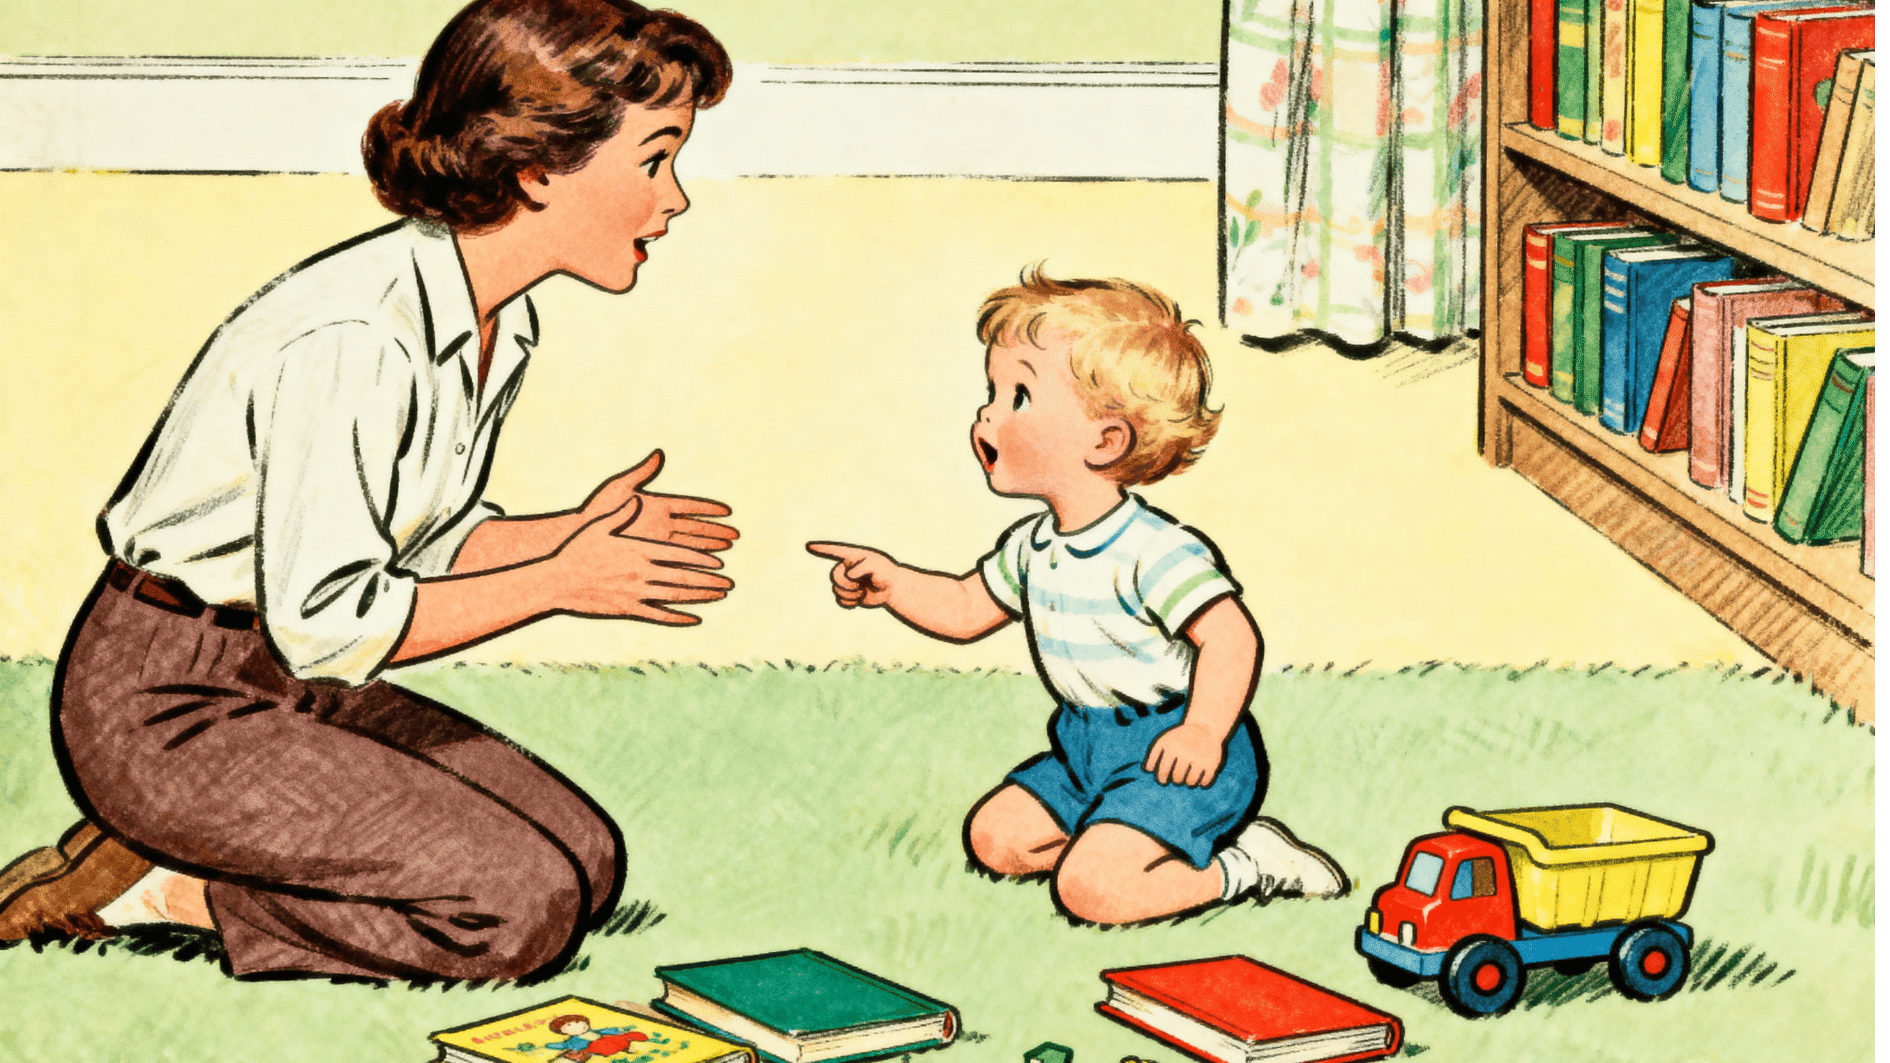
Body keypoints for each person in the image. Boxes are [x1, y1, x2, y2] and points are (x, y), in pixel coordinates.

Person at [0, 0, 737, 984]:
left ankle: (185, 851)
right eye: (655, 159)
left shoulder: (493, 324)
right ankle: (155, 890)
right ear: (538, 167)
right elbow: (331, 620)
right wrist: (559, 580)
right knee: (519, 907)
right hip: (162, 702)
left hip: (282, 682)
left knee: (588, 859)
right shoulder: (355, 337)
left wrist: (565, 535)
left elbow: (416, 540)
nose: (676, 199)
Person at [808, 268, 1347, 925]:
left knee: (1092, 892)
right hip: (1084, 748)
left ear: (1105, 440)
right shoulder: (1032, 545)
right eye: (993, 392)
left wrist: (1203, 731)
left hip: (1178, 754)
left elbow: (1232, 637)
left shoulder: (1154, 550)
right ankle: (1122, 844)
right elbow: (965, 607)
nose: (987, 414)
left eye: (1019, 396)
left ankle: (1248, 862)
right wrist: (894, 582)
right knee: (996, 838)